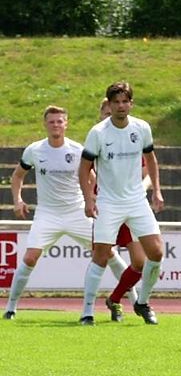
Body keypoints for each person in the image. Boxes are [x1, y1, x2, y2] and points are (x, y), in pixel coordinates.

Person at [3, 106, 129, 320]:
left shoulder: (77, 150)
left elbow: (92, 177)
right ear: (45, 124)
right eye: (52, 121)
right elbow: (17, 176)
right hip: (47, 214)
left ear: (66, 124)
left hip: (77, 212)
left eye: (59, 121)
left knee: (108, 253)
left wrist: (92, 199)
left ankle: (134, 300)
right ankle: (10, 308)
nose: (56, 125)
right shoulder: (35, 150)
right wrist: (18, 200)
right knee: (30, 258)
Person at [79, 81, 164, 325]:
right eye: (116, 102)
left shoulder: (142, 128)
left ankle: (142, 302)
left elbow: (151, 159)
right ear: (110, 104)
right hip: (109, 203)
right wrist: (88, 199)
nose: (121, 106)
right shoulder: (98, 132)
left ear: (131, 103)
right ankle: (87, 312)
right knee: (101, 256)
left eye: (125, 101)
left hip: (137, 201)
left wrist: (157, 191)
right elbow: (84, 168)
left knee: (156, 253)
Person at [96, 97, 149, 323]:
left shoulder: (132, 138)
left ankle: (115, 298)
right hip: (106, 207)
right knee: (104, 255)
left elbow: (147, 174)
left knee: (140, 262)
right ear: (101, 115)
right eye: (106, 113)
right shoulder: (97, 138)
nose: (111, 116)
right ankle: (87, 312)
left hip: (130, 207)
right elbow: (85, 173)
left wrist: (140, 190)